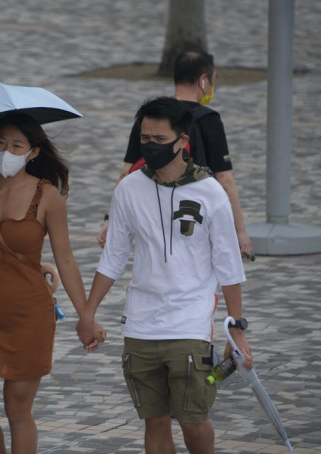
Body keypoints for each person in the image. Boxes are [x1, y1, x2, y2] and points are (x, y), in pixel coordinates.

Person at [78, 97, 253, 454]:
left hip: (190, 322)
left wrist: (236, 328)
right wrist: (88, 314)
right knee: (154, 422)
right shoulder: (128, 189)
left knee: (193, 418)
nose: (150, 146)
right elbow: (112, 257)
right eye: (145, 139)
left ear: (182, 141)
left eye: (159, 140)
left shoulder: (210, 192)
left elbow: (228, 264)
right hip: (140, 324)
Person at [0, 113, 104, 453]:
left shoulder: (47, 197)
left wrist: (86, 315)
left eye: (16, 145)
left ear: (32, 153)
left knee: (18, 411)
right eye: (0, 143)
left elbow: (66, 260)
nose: (6, 151)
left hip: (31, 318)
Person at [98, 50, 253, 260]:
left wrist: (111, 220)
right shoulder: (209, 120)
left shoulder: (152, 116)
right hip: (193, 215)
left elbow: (127, 171)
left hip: (153, 212)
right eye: (214, 79)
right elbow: (224, 180)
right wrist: (240, 232)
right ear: (203, 80)